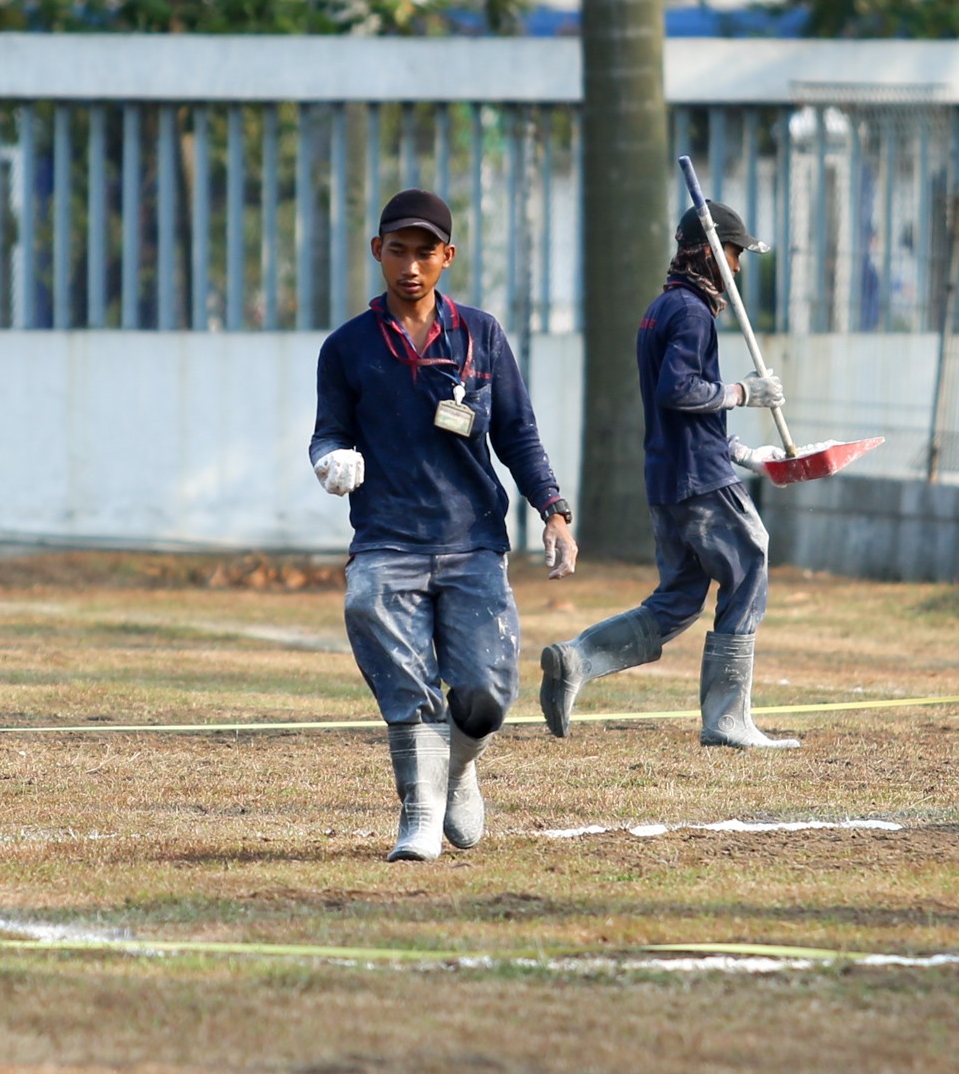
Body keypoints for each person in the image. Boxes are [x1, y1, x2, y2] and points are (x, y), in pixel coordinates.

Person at [310, 188, 579, 863]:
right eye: (397, 250)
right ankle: (419, 814)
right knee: (380, 630)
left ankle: (458, 767)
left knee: (486, 695)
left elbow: (518, 433)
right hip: (386, 538)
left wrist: (553, 509)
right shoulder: (347, 348)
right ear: (378, 251)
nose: (410, 266)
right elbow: (328, 434)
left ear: (447, 257)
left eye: (425, 252)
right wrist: (330, 462)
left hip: (472, 540)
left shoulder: (480, 335)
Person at [538, 200, 799, 750]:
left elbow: (680, 415)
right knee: (750, 559)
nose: (738, 264)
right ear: (708, 251)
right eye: (733, 252)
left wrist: (742, 451)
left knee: (680, 598)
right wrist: (743, 393)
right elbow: (678, 392)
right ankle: (727, 719)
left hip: (672, 477)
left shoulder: (661, 309)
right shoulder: (692, 312)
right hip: (698, 482)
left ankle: (578, 658)